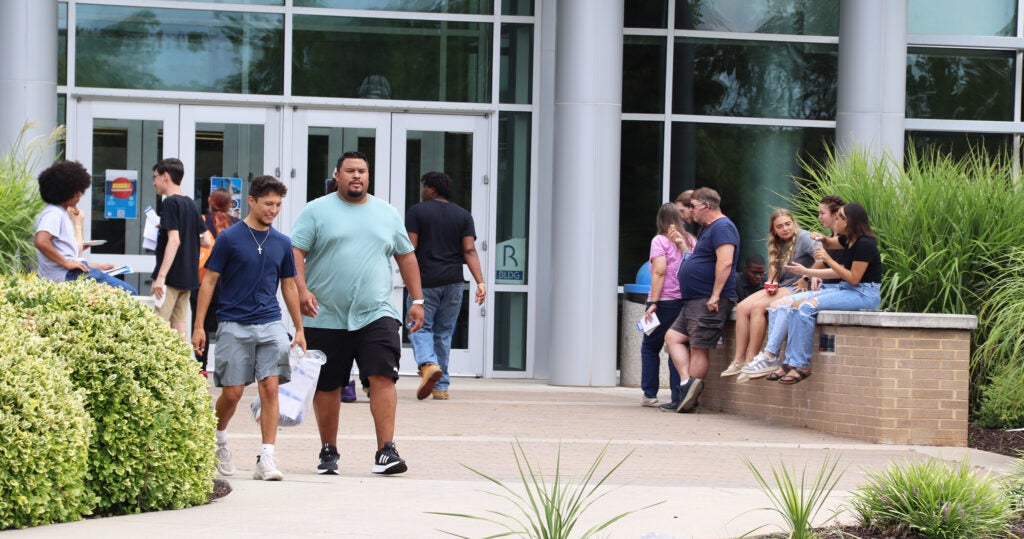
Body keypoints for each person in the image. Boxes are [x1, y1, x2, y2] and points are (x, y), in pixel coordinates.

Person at [291, 150, 425, 476]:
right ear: (337, 175)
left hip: (375, 311)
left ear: (368, 176)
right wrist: (302, 290)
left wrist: (418, 300)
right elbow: (295, 251)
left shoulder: (387, 213)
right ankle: (328, 450)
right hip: (325, 313)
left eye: (362, 171)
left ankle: (386, 450)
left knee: (383, 375)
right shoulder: (316, 211)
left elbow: (406, 257)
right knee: (328, 385)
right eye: (350, 171)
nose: (356, 176)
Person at [192, 175, 305, 481]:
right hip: (233, 324)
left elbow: (290, 288)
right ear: (252, 201)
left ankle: (267, 457)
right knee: (232, 393)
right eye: (268, 203)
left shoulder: (282, 243)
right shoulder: (229, 238)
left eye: (278, 205)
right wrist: (199, 325)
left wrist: (299, 327)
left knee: (270, 388)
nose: (273, 210)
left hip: (270, 323)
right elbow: (210, 281)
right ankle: (218, 441)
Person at [742, 202, 882, 384]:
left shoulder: (865, 245)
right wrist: (807, 270)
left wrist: (827, 259)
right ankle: (782, 360)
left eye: (839, 217)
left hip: (863, 294)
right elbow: (831, 243)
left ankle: (801, 364)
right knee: (786, 303)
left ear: (849, 222)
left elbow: (854, 278)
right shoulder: (848, 240)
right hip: (846, 289)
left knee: (806, 307)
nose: (835, 220)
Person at [405, 171, 486, 401]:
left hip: (425, 281)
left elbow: (410, 247)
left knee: (418, 325)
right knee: (443, 332)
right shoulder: (462, 215)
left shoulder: (417, 211)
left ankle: (428, 365)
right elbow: (469, 250)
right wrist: (480, 281)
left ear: (431, 189)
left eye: (424, 187)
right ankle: (441, 386)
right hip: (453, 282)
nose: (422, 191)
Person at [661, 187, 739, 413]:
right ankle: (688, 384)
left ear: (706, 206)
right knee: (672, 337)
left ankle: (687, 398)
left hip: (708, 298)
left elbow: (725, 262)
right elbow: (699, 259)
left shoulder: (723, 227)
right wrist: (682, 247)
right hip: (694, 299)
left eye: (693, 206)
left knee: (698, 347)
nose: (690, 211)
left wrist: (715, 295)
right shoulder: (708, 229)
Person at [722, 210, 815, 379]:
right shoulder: (777, 243)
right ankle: (739, 359)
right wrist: (771, 282)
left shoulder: (804, 237)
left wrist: (806, 277)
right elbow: (773, 270)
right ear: (774, 230)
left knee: (758, 307)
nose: (785, 229)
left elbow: (822, 257)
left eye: (788, 224)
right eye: (780, 226)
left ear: (793, 223)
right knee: (742, 307)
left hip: (798, 288)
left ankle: (753, 359)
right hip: (783, 286)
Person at [33, 161, 138, 295]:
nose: (79, 196)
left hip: (69, 273)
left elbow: (67, 254)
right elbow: (41, 241)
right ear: (64, 192)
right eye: (76, 192)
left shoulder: (60, 213)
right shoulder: (54, 213)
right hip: (69, 274)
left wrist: (98, 266)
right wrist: (67, 263)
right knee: (129, 293)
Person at [639, 203, 695, 407]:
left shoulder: (659, 240)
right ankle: (678, 395)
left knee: (650, 347)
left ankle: (649, 394)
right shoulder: (690, 240)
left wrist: (652, 301)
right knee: (678, 346)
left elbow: (659, 271)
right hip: (686, 301)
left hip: (665, 301)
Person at [151, 158, 210, 341]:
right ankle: (184, 367)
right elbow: (206, 240)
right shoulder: (190, 203)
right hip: (188, 277)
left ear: (165, 176)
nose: (154, 183)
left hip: (170, 277)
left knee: (156, 326)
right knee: (179, 324)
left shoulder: (170, 203)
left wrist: (160, 277)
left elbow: (174, 241)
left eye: (156, 177)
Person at [190, 188, 240, 376]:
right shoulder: (237, 224)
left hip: (203, 282)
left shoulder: (202, 222)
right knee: (226, 329)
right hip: (228, 286)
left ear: (210, 200)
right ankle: (228, 368)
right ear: (229, 205)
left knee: (199, 325)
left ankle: (200, 368)